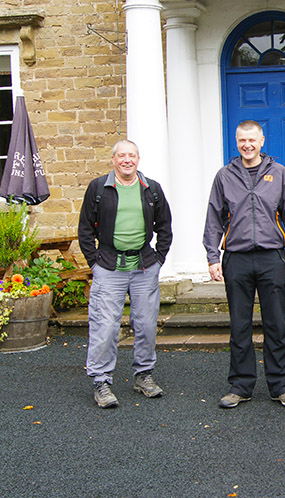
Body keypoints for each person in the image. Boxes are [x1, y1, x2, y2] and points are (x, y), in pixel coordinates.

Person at [203, 120, 285, 409]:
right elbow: (213, 218)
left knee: (275, 324)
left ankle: (281, 386)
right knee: (240, 325)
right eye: (241, 140)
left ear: (262, 141)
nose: (247, 145)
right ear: (236, 142)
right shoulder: (224, 175)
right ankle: (240, 385)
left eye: (252, 140)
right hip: (236, 258)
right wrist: (212, 256)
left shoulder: (279, 173)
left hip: (271, 257)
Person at [78, 140, 173, 409]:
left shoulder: (151, 189)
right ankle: (101, 381)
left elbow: (165, 226)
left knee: (145, 325)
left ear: (138, 159)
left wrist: (159, 258)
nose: (127, 160)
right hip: (108, 267)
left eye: (131, 155)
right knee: (105, 327)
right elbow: (85, 229)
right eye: (122, 156)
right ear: (113, 159)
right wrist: (93, 262)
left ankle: (144, 376)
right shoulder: (99, 188)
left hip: (144, 267)